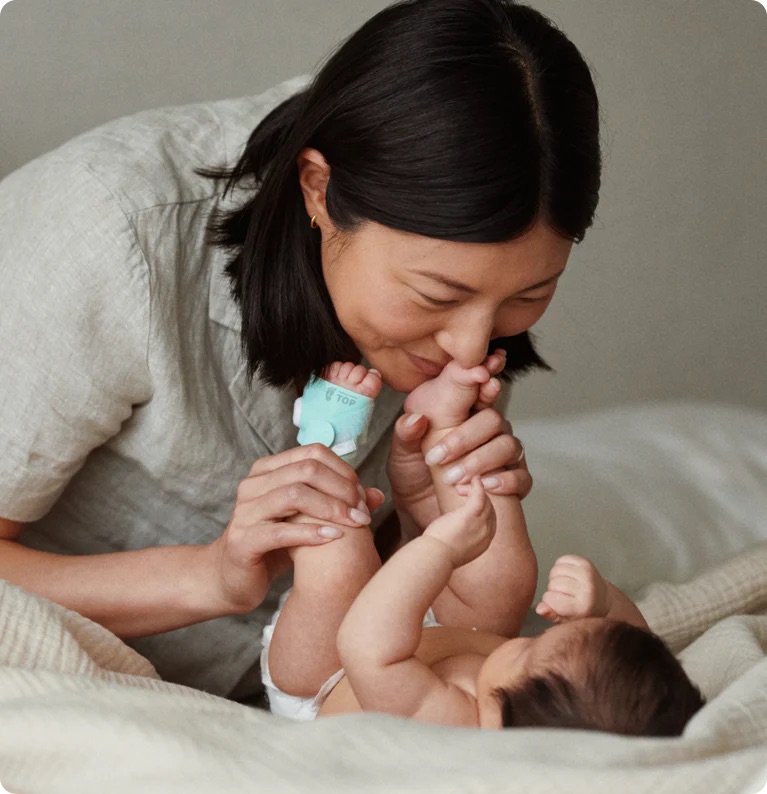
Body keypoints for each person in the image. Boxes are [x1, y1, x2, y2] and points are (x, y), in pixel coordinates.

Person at [0, 0, 601, 700]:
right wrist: (211, 576)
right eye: (435, 296)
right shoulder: (110, 232)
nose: (472, 345)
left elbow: (419, 625)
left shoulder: (470, 294)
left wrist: (424, 522)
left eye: (528, 298)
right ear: (318, 189)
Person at [262, 358, 706, 733]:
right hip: (436, 630)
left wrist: (440, 550)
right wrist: (604, 603)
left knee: (342, 560)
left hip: (329, 671)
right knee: (504, 581)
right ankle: (446, 428)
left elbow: (363, 643)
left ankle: (324, 444)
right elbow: (640, 640)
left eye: (531, 650)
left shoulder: (453, 724)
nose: (540, 631)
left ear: (500, 721)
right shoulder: (558, 703)